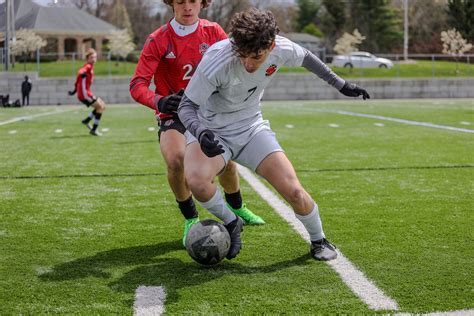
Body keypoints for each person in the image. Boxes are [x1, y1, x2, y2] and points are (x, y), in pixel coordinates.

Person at [178, 8, 370, 260]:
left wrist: (341, 85)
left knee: (294, 192)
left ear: (270, 46)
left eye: (256, 56)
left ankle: (319, 240)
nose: (248, 63)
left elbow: (308, 58)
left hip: (251, 129)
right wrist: (200, 132)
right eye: (242, 55)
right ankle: (231, 221)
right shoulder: (217, 59)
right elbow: (186, 106)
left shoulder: (283, 48)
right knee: (196, 180)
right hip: (212, 130)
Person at [129, 0, 265, 247]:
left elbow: (235, 67)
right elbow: (137, 84)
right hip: (174, 113)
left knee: (226, 163)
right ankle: (191, 218)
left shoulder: (213, 32)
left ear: (202, 3)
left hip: (209, 111)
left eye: (193, 1)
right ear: (171, 3)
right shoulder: (157, 39)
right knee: (175, 160)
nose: (187, 7)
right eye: (180, 1)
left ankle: (238, 207)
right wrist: (159, 102)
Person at [69, 48, 106, 136]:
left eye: (95, 57)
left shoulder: (90, 67)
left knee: (102, 105)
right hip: (84, 94)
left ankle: (87, 120)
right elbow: (81, 72)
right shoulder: (88, 66)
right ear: (87, 59)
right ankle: (94, 129)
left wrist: (74, 90)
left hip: (86, 93)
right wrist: (82, 73)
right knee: (100, 107)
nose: (94, 59)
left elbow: (78, 80)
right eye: (91, 57)